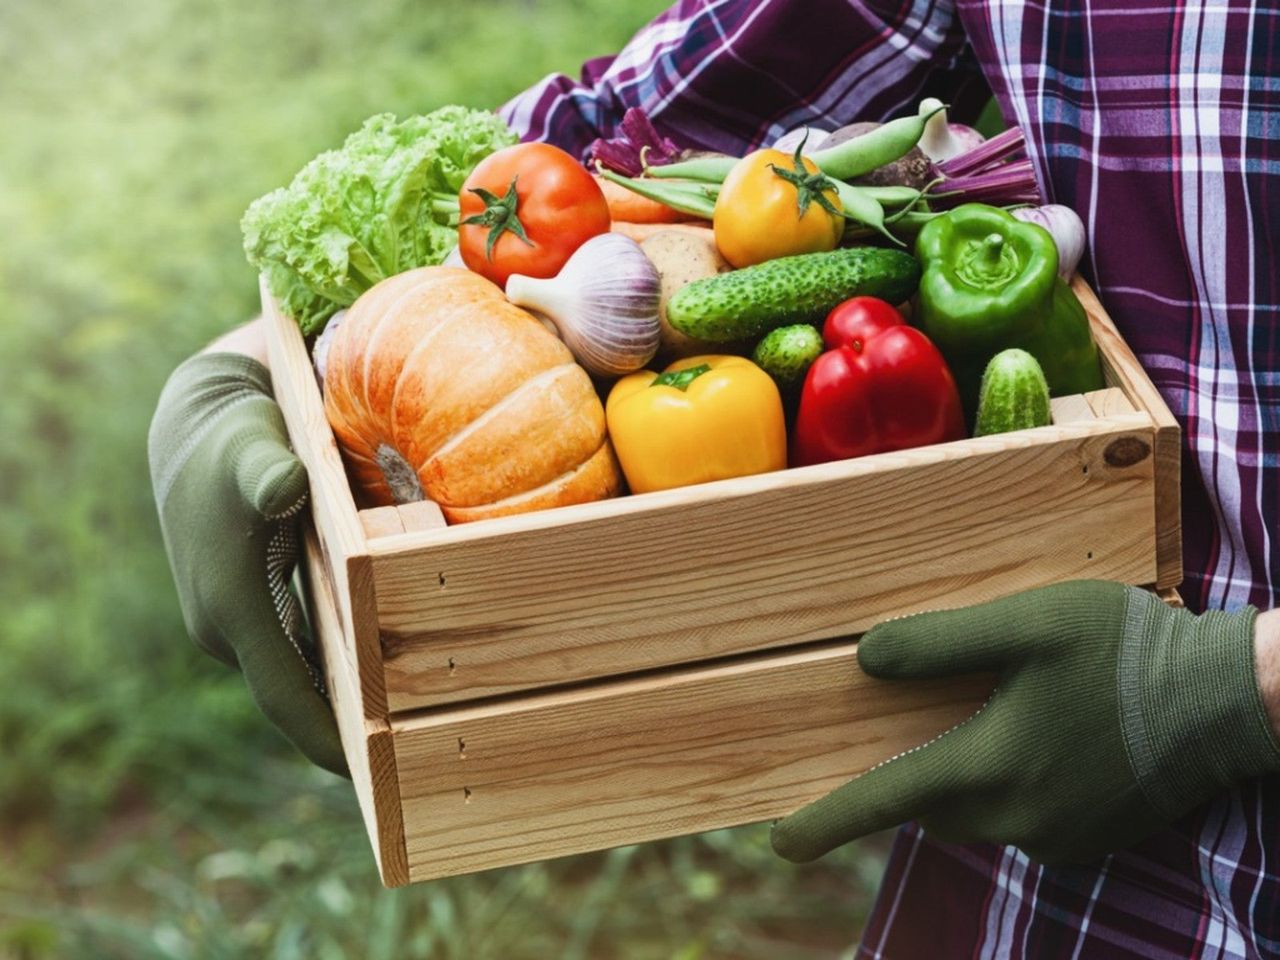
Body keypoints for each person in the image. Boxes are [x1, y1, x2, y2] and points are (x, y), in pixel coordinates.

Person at [149, 0, 1280, 954]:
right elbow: (643, 130)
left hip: (1141, 746)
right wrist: (254, 365)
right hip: (1078, 872)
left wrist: (1233, 687)